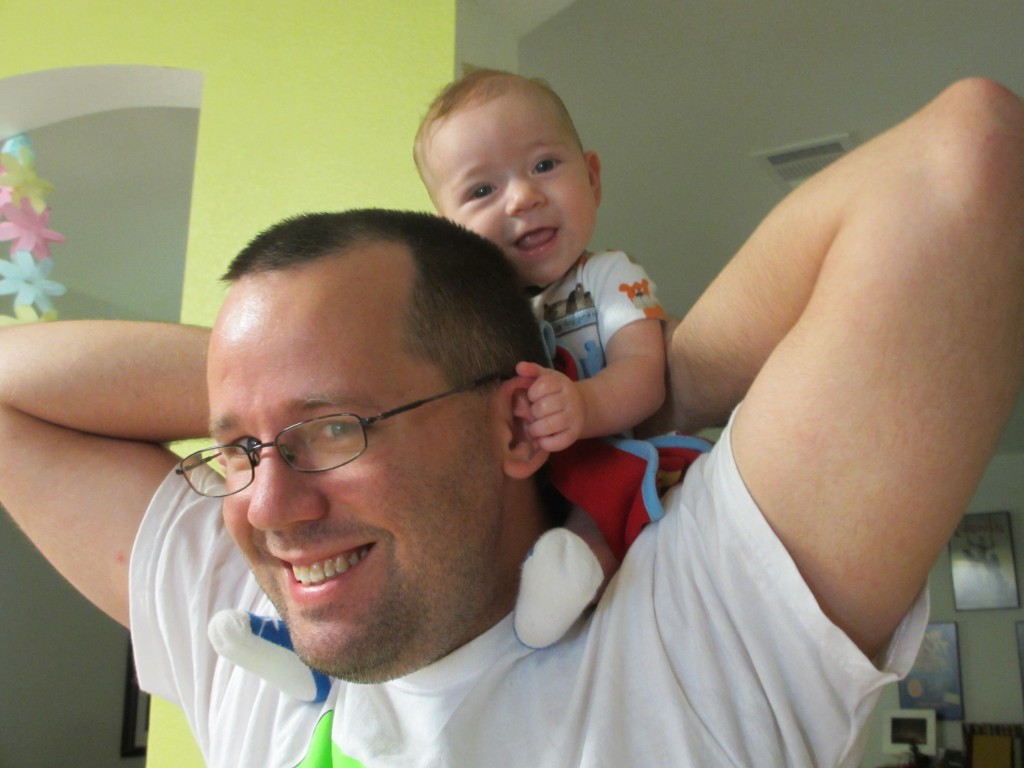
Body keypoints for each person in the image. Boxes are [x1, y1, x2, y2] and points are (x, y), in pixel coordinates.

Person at [0, 77, 1022, 766]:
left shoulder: (700, 634)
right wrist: (287, 382)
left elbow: (964, 153)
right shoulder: (258, 612)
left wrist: (646, 392)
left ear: (511, 428)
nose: (267, 507)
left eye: (336, 429)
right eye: (236, 448)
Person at [413, 68, 672, 646]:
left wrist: (583, 405)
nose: (523, 197)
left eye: (544, 165)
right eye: (482, 191)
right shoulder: (478, 316)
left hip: (599, 449)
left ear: (593, 178)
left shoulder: (609, 275)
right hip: (520, 482)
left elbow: (644, 373)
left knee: (604, 494)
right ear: (450, 234)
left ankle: (574, 572)